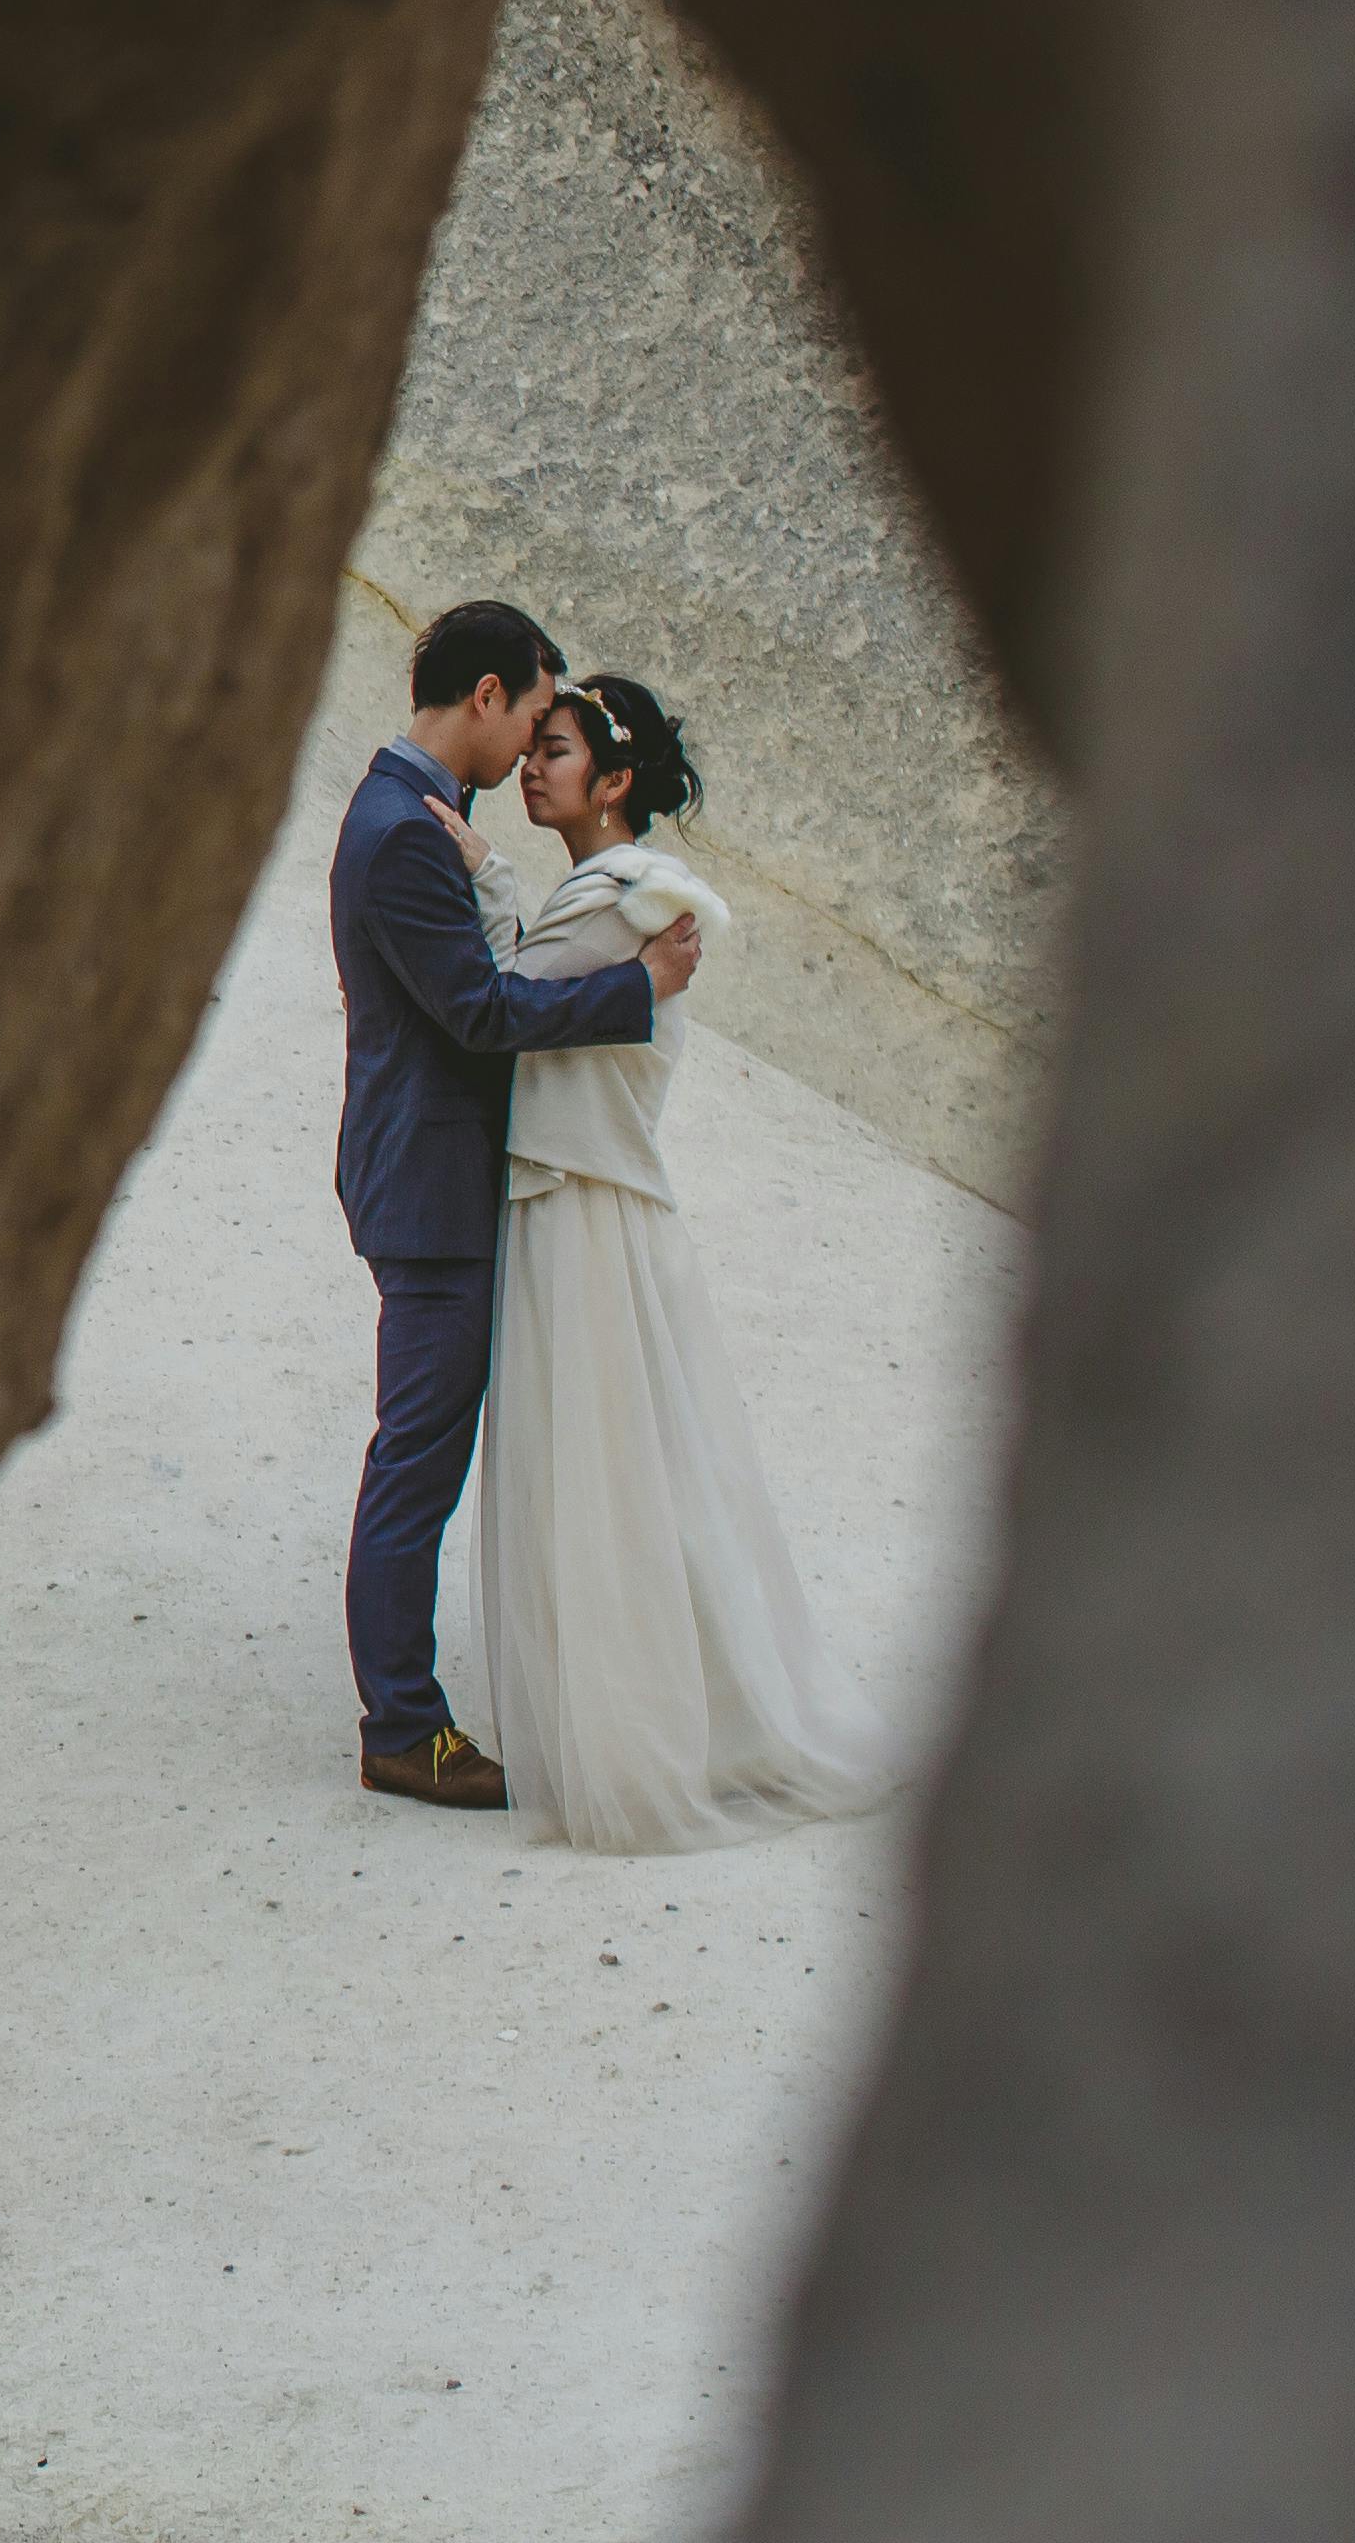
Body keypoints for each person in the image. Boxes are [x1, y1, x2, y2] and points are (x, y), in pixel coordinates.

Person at [451, 675, 905, 1849]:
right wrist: (499, 877)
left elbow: (501, 1002)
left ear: (613, 784)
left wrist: (486, 876)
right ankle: (670, 1714)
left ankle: (652, 1735)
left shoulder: (630, 900)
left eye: (555, 751)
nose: (532, 769)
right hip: (574, 1196)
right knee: (619, 1470)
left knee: (609, 1475)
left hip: (587, 1208)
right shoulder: (598, 897)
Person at [327, 601, 694, 1809]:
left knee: (422, 1453)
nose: (536, 741)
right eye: (535, 714)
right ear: (485, 696)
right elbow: (481, 1013)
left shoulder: (423, 822)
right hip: (431, 1190)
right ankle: (404, 1729)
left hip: (437, 1174)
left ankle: (412, 1710)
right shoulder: (401, 835)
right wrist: (633, 988)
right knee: (418, 1462)